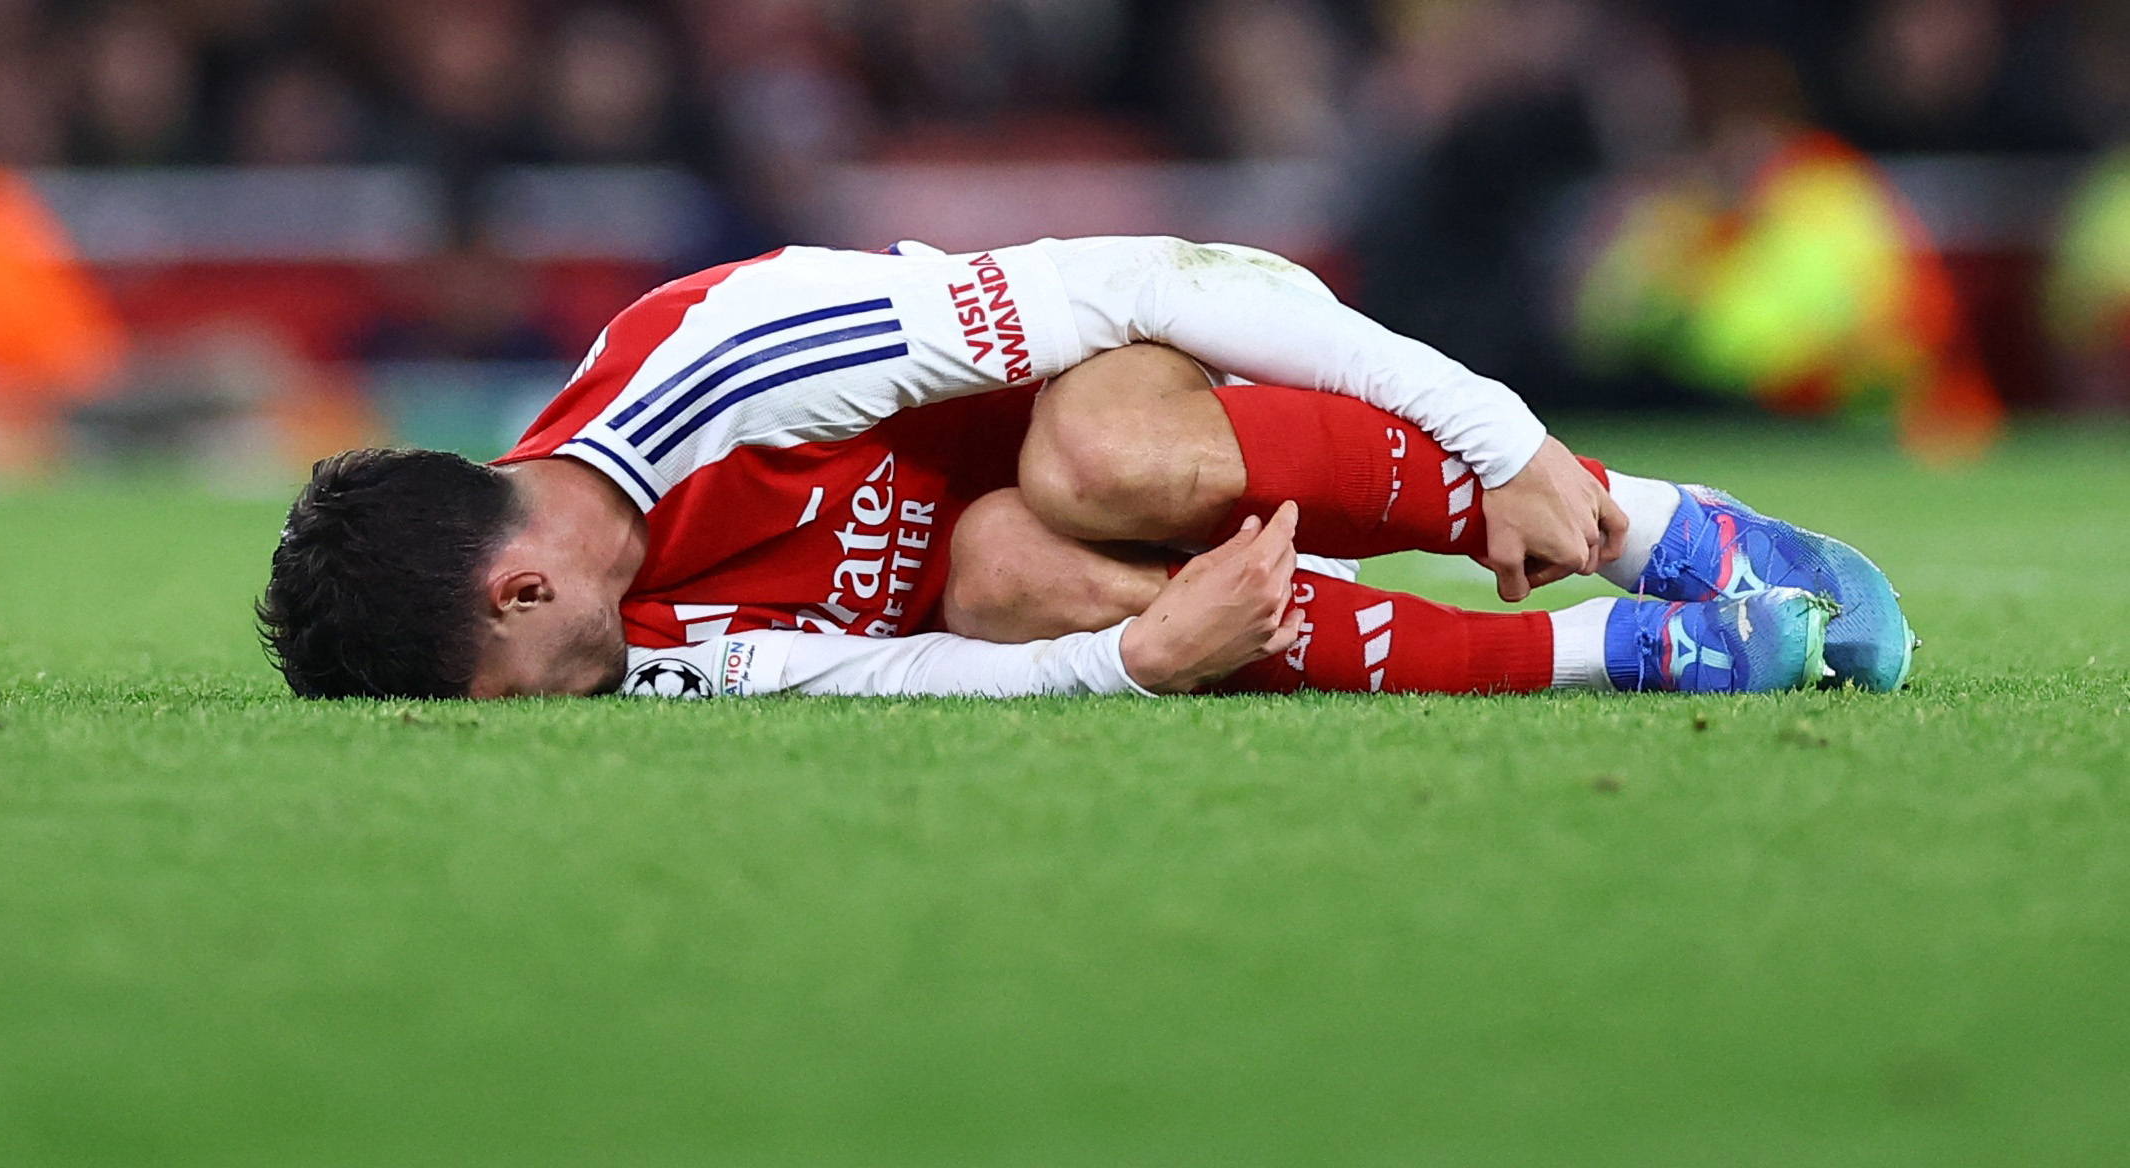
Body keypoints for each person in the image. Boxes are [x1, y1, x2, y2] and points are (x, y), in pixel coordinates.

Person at [258, 236, 1915, 703]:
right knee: (999, 566)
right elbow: (888, 667)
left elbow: (1157, 278)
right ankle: (1619, 654)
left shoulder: (719, 355)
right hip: (1017, 574)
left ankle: (1648, 530)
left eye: (506, 691)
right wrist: (1125, 662)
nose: (550, 717)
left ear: (519, 583)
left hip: (1141, 395)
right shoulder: (648, 658)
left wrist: (1509, 435)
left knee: (1089, 459)